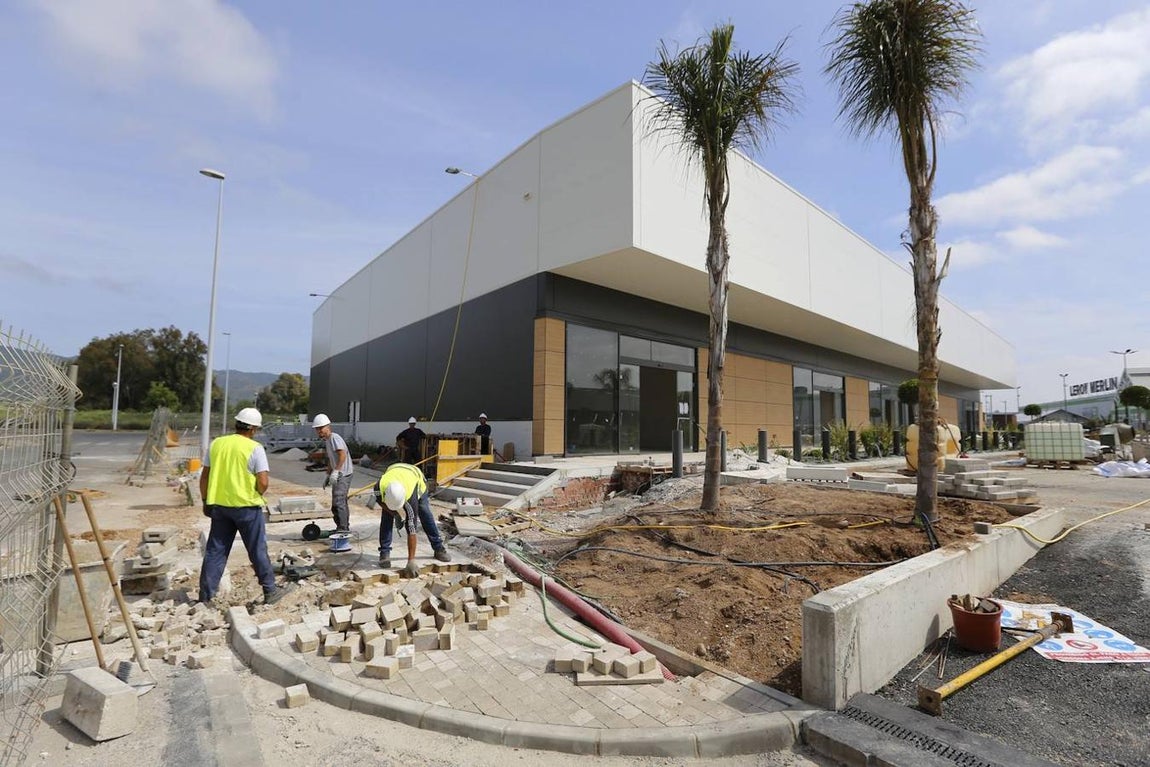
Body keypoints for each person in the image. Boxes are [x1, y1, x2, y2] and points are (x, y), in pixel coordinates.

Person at [198, 407, 287, 604]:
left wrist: (205, 501)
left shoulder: (216, 444)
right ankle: (270, 590)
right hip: (247, 508)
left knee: (215, 551)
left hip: (219, 507)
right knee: (257, 550)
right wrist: (256, 492)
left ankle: (206, 596)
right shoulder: (255, 448)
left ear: (237, 424)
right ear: (253, 429)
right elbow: (263, 482)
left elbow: (204, 477)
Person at [374, 462, 451, 574]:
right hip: (394, 469)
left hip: (416, 477)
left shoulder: (410, 498)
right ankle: (384, 552)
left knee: (424, 513)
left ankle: (438, 548)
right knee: (386, 516)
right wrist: (395, 514)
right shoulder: (380, 486)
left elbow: (411, 529)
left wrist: (411, 560)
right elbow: (380, 501)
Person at [311, 413, 352, 532]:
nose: (319, 431)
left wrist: (337, 471)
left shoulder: (334, 438)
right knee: (338, 502)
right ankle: (341, 527)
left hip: (344, 474)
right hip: (338, 474)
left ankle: (343, 529)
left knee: (339, 501)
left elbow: (342, 455)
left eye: (321, 428)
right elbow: (331, 459)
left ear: (328, 426)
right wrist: (328, 475)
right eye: (317, 429)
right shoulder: (328, 440)